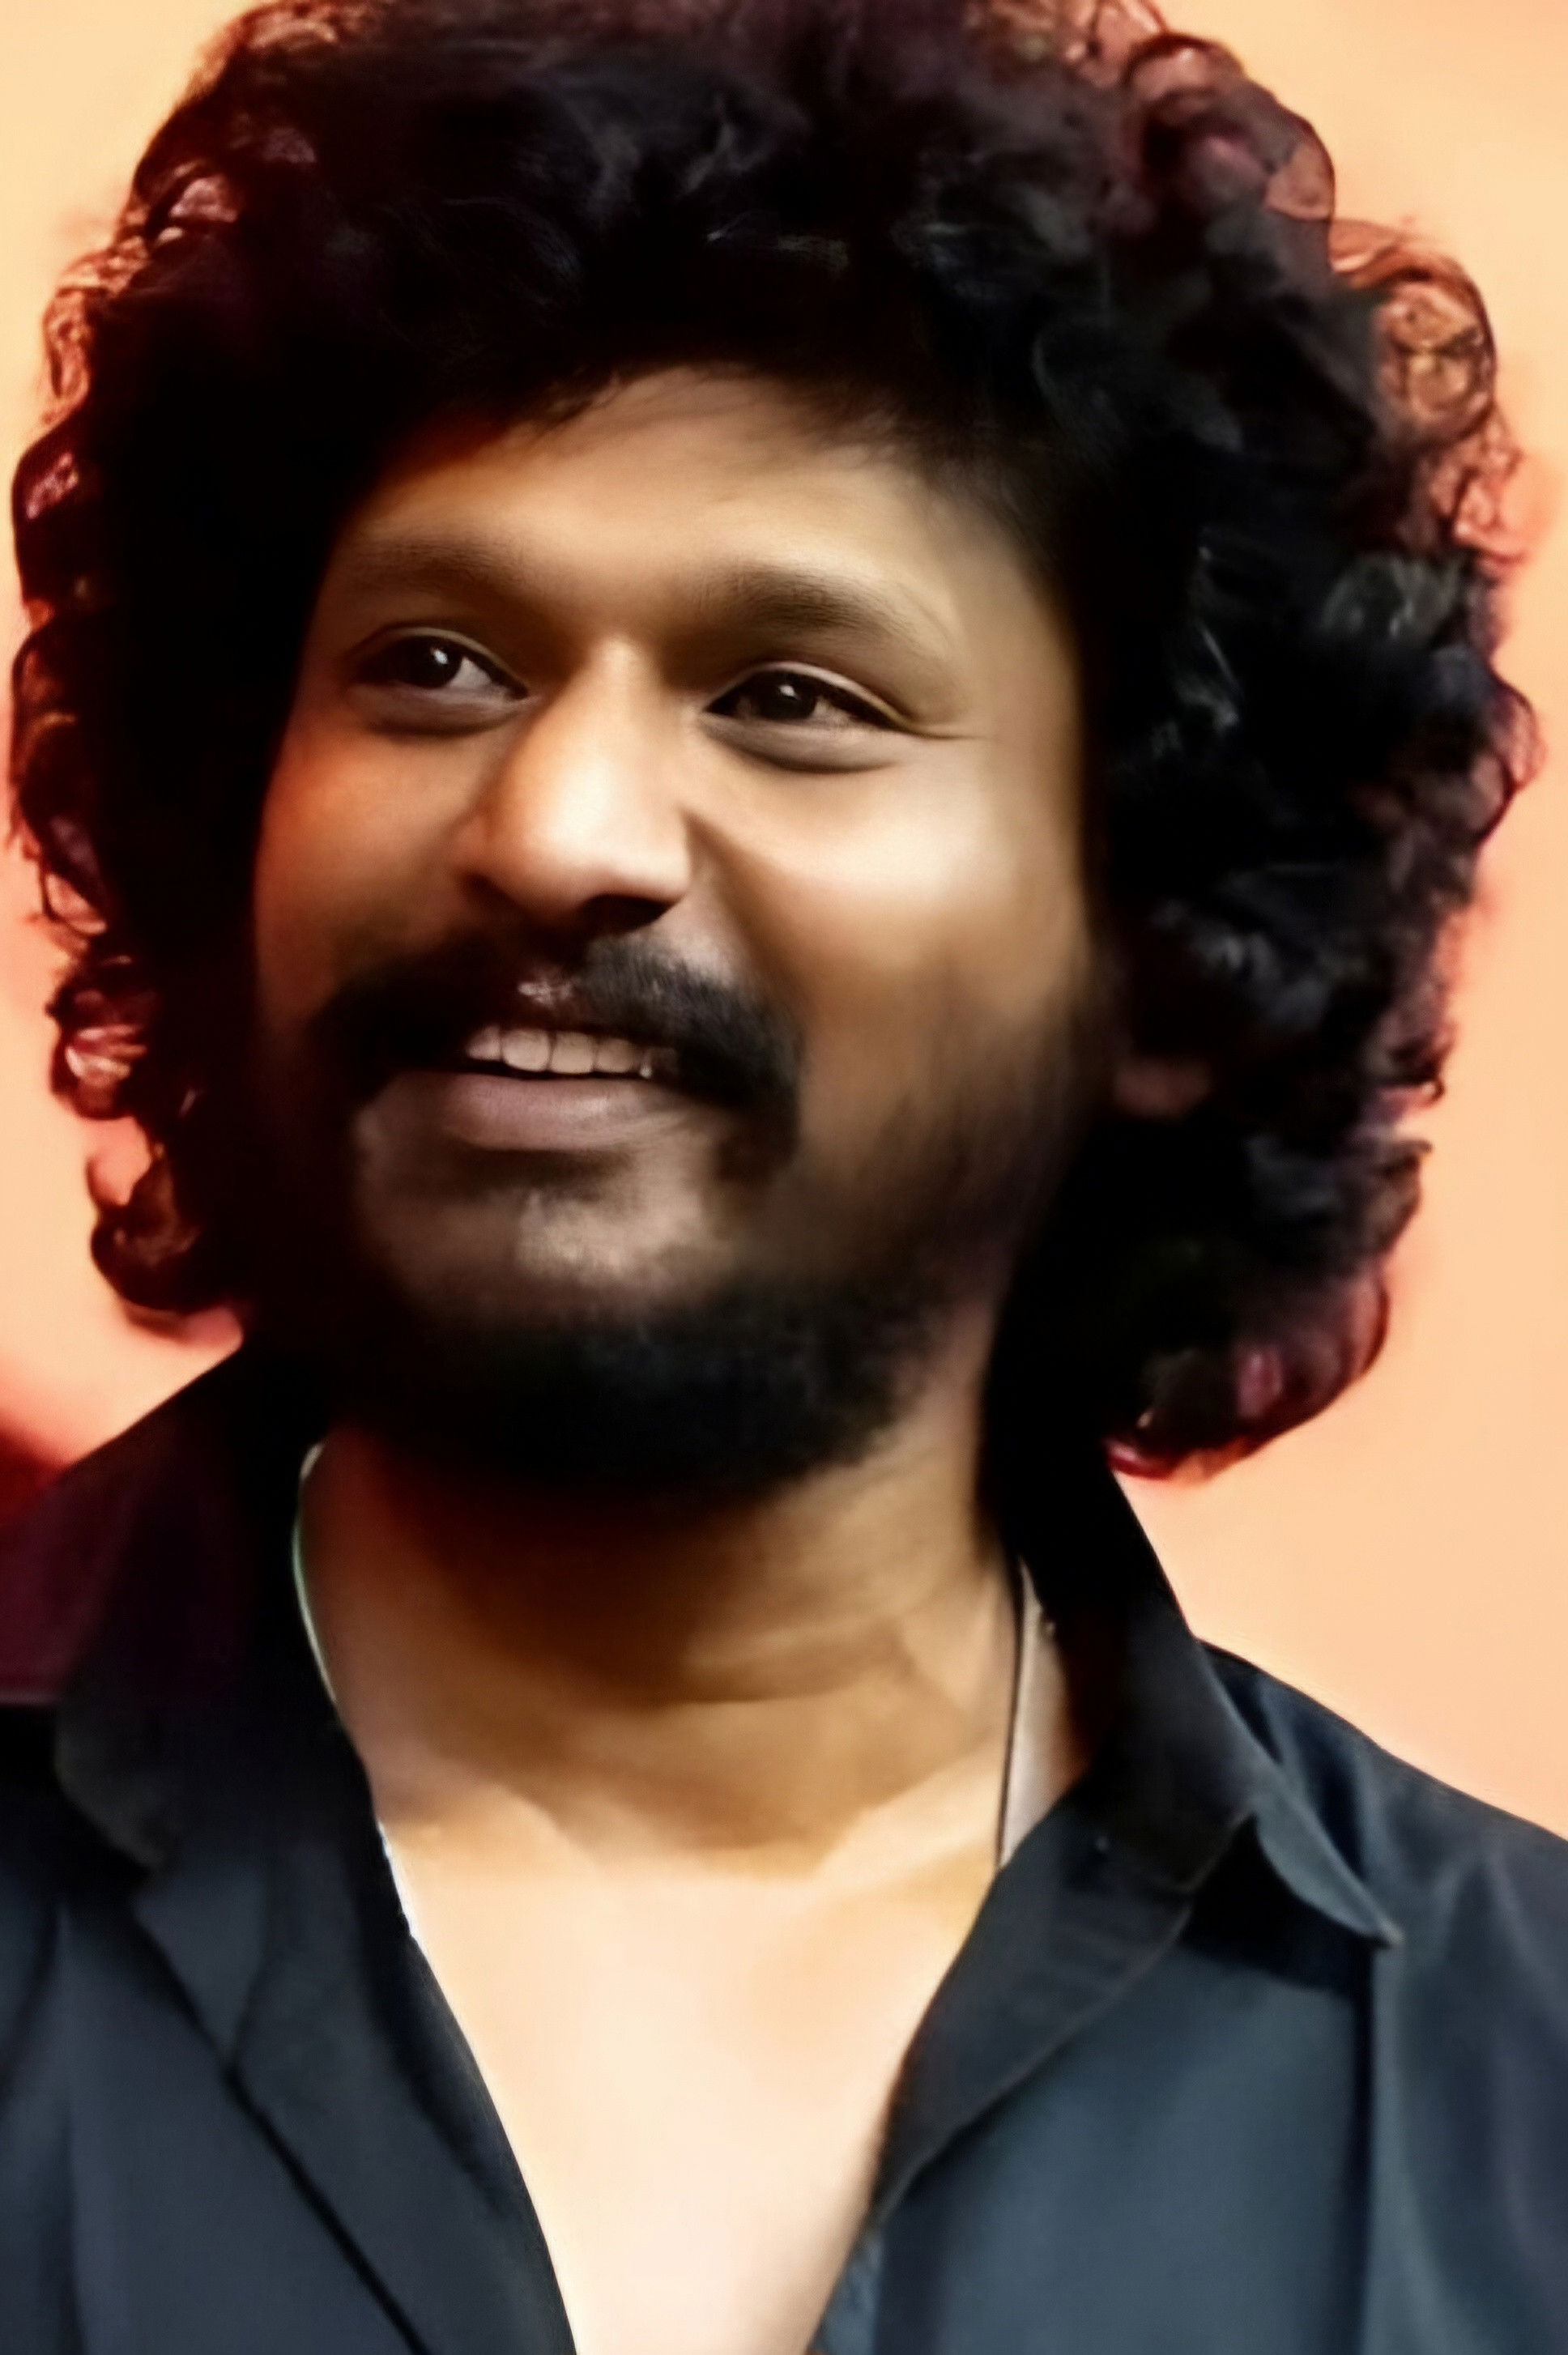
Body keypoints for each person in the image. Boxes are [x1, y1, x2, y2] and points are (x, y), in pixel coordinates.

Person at [0, 0, 1563, 2347]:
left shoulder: (1513, 2104)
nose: (556, 828)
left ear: (1161, 950)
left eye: (792, 699)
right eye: (434, 664)